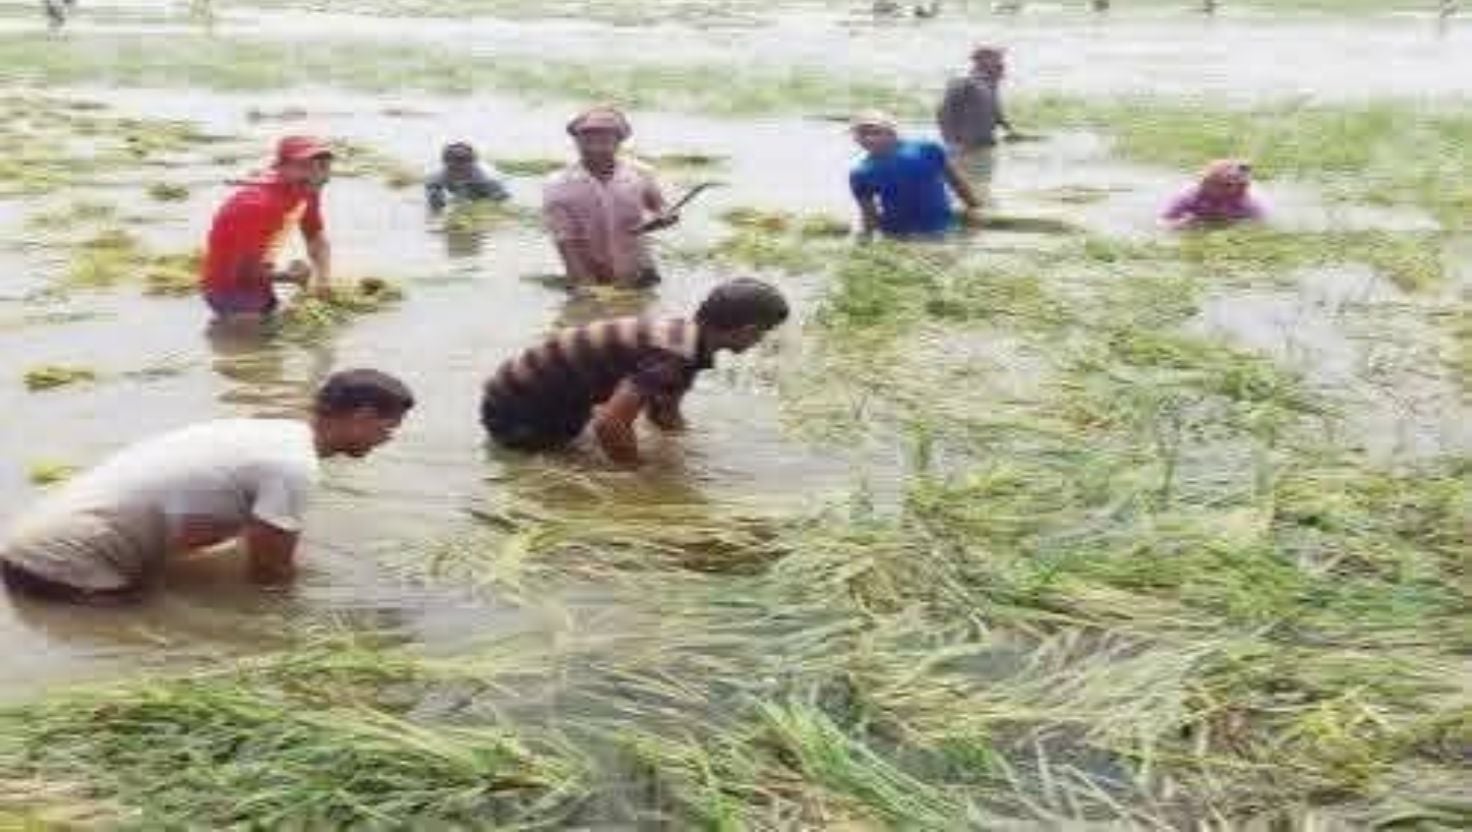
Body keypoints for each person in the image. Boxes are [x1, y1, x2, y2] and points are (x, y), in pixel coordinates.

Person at [0, 369, 414, 603]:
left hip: (28, 543)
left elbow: (210, 532)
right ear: (360, 416)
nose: (388, 438)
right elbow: (270, 576)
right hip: (65, 569)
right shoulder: (294, 466)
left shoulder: (267, 432)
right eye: (388, 426)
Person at [481, 278, 788, 465]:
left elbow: (663, 413)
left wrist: (686, 449)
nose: (760, 340)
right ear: (746, 330)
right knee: (573, 467)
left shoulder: (686, 338)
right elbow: (609, 424)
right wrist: (638, 479)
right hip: (516, 412)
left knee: (594, 449)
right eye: (762, 332)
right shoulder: (672, 357)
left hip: (527, 393)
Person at [199, 135, 335, 320]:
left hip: (260, 278)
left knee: (275, 330)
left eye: (323, 166)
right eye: (305, 166)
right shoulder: (258, 204)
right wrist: (292, 276)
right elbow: (244, 272)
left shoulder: (306, 190)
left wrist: (323, 280)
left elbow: (315, 236)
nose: (317, 174)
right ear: (281, 167)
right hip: (229, 290)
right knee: (250, 345)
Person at [542, 107, 678, 289]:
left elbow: (661, 207)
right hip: (592, 275)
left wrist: (665, 217)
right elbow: (566, 243)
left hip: (640, 270)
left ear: (619, 141)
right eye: (588, 138)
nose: (596, 145)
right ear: (577, 140)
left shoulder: (640, 173)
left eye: (605, 138)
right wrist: (586, 287)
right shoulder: (559, 184)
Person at [849, 111, 982, 240]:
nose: (869, 138)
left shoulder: (928, 149)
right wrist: (865, 240)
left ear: (891, 132)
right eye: (863, 134)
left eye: (875, 132)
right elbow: (869, 215)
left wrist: (973, 207)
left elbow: (956, 181)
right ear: (857, 139)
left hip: (941, 227)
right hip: (897, 234)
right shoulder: (861, 173)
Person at [937, 45, 1017, 201]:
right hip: (964, 145)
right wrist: (951, 141)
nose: (1001, 62)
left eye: (1000, 58)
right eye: (996, 58)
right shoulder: (964, 82)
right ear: (980, 60)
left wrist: (1009, 129)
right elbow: (943, 112)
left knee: (983, 182)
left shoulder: (991, 84)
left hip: (986, 143)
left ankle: (981, 207)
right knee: (965, 183)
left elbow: (995, 110)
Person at [1160, 159, 1266, 229]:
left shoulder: (1243, 201)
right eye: (1224, 185)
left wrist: (1236, 223)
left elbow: (1258, 221)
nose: (1230, 189)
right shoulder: (1189, 197)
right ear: (1206, 183)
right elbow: (1162, 222)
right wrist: (1180, 224)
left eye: (1235, 185)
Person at [425, 142, 509, 212]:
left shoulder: (481, 177)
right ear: (447, 163)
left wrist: (495, 199)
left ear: (471, 163)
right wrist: (436, 199)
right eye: (454, 167)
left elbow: (501, 194)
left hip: (476, 190)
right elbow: (431, 185)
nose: (459, 169)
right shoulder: (440, 176)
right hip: (454, 190)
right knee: (435, 196)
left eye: (463, 165)